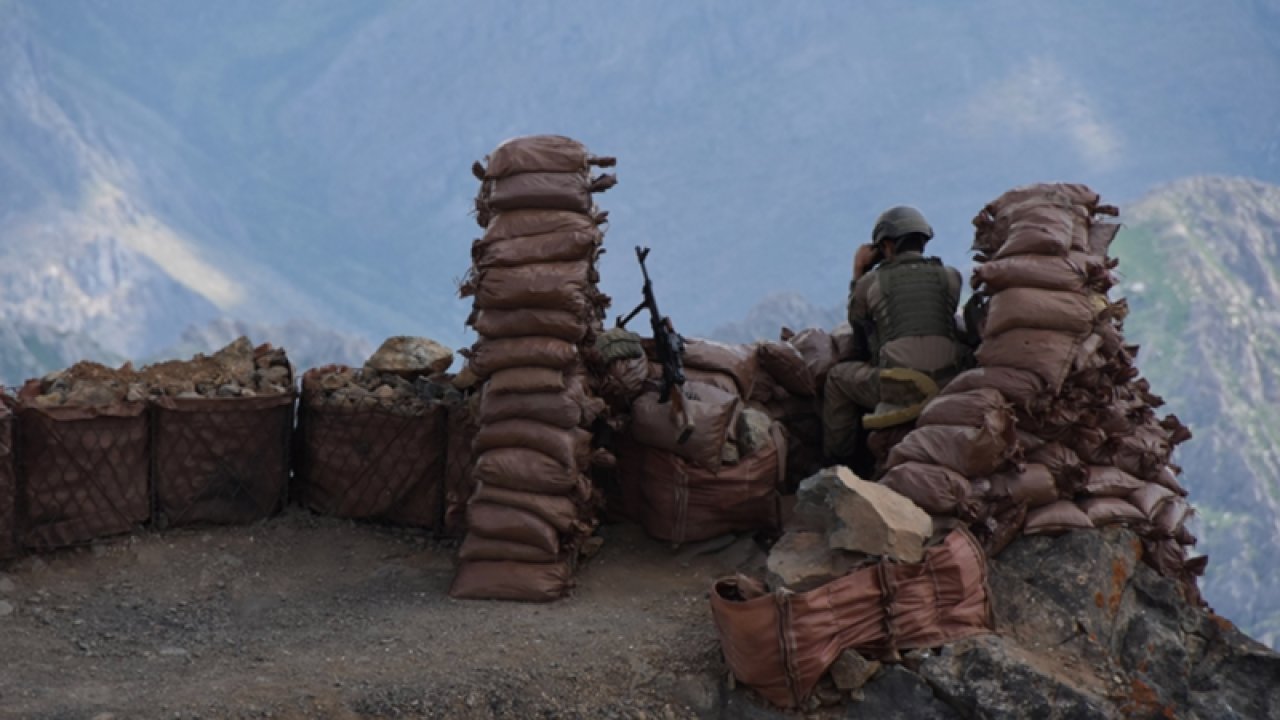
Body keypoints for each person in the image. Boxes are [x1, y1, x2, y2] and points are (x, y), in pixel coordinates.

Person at [823, 205, 972, 468]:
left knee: (837, 379)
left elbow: (858, 335)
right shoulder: (951, 278)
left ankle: (841, 465)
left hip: (899, 385)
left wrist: (859, 272)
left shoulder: (871, 283)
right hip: (950, 381)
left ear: (887, 245)